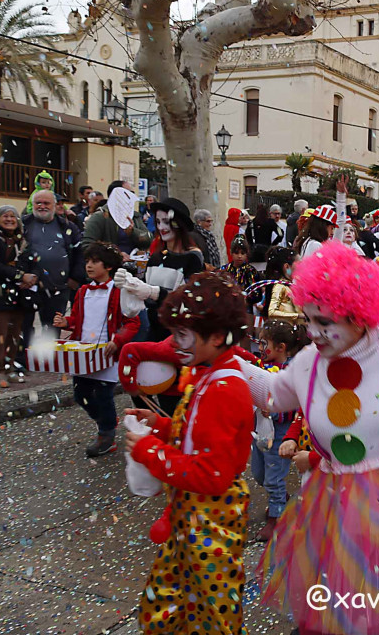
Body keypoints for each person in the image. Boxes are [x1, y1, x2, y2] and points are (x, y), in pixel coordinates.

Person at [235, 242, 379, 635]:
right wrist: (226, 363)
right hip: (339, 501)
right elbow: (272, 394)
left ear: (359, 314)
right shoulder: (308, 362)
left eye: (324, 321)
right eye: (308, 319)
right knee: (341, 603)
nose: (312, 333)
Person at [123, 272, 254, 635]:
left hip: (210, 521)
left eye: (182, 334)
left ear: (216, 336)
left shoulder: (224, 388)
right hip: (188, 516)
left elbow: (212, 475)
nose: (174, 344)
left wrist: (151, 451)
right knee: (171, 600)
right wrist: (160, 426)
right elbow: (198, 434)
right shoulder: (207, 372)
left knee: (212, 613)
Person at [54, 243, 140, 457]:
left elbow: (132, 322)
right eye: (87, 262)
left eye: (95, 262)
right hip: (84, 353)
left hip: (107, 354)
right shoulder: (83, 291)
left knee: (103, 395)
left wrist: (118, 340)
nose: (89, 266)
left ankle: (106, 434)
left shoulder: (119, 291)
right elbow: (77, 318)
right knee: (80, 394)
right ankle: (106, 420)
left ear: (108, 266)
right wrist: (66, 322)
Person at [114, 198, 205, 346]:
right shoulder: (156, 257)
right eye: (158, 222)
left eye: (166, 222)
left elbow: (189, 300)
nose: (162, 227)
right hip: (154, 332)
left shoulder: (193, 257)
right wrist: (128, 284)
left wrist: (154, 292)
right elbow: (143, 294)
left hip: (180, 336)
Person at [251, 319, 308, 541]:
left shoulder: (292, 372)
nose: (260, 347)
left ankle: (277, 517)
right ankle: (280, 499)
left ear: (281, 347)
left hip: (281, 434)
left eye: (264, 343)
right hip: (261, 431)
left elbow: (294, 405)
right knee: (259, 473)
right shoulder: (261, 366)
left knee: (274, 477)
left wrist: (274, 412)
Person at [0, 206, 38, 388]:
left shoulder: (22, 239)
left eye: (13, 216)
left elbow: (31, 259)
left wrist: (30, 277)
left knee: (14, 334)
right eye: (5, 216)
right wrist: (20, 276)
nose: (10, 219)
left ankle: (10, 367)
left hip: (18, 295)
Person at [21, 190, 84, 351]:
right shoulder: (23, 225)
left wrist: (75, 277)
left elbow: (80, 253)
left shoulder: (68, 226)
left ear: (55, 205)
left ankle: (49, 358)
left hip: (58, 286)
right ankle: (25, 358)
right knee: (24, 326)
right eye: (38, 203)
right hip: (28, 286)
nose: (42, 206)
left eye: (46, 203)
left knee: (52, 327)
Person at [82, 184, 152, 255]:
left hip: (134, 260)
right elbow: (87, 246)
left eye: (132, 193)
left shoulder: (135, 216)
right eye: (128, 193)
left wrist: (133, 232)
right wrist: (116, 255)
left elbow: (149, 239)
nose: (131, 196)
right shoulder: (100, 217)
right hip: (110, 261)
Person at [260, 246, 302, 323]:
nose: (301, 267)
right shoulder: (280, 286)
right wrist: (298, 316)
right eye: (299, 264)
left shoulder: (290, 285)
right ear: (287, 267)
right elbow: (272, 312)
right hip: (283, 328)